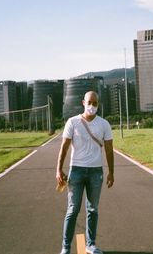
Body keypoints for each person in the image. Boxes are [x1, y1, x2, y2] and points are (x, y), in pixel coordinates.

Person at [56, 91, 114, 254]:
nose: (92, 106)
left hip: (96, 172)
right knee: (73, 209)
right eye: (89, 102)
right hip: (77, 171)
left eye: (95, 103)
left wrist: (111, 172)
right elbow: (64, 147)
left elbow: (109, 150)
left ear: (98, 105)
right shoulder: (73, 122)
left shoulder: (104, 124)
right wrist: (59, 169)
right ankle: (65, 247)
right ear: (83, 102)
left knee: (93, 209)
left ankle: (91, 244)